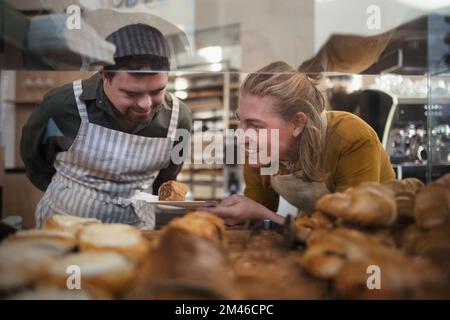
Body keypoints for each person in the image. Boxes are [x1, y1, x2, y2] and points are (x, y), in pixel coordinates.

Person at [20, 24, 192, 229]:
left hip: (136, 230)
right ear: (104, 76)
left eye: (157, 91)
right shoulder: (62, 106)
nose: (146, 104)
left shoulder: (179, 118)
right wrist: (72, 192)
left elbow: (167, 178)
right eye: (131, 94)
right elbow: (35, 160)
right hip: (64, 225)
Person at [202, 61, 395, 225]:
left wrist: (261, 214)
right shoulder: (260, 152)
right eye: (240, 121)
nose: (240, 136)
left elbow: (351, 229)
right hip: (314, 235)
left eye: (255, 125)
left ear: (297, 123)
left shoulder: (351, 139)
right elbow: (255, 213)